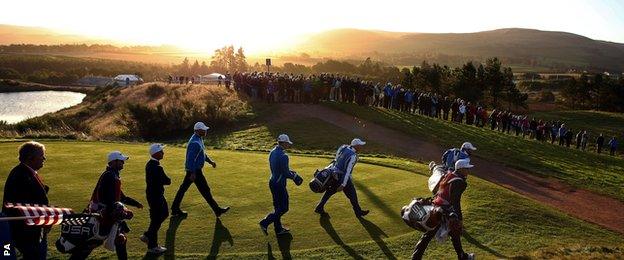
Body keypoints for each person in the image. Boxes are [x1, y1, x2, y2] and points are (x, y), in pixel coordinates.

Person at [80, 151, 144, 260]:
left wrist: (135, 203)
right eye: (121, 161)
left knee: (119, 240)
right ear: (113, 162)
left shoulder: (112, 175)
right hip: (104, 216)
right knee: (94, 242)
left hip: (107, 214)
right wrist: (121, 212)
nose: (123, 163)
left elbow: (121, 197)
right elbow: (108, 199)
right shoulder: (110, 176)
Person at [411, 159, 475, 260]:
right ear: (461, 169)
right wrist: (459, 218)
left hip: (437, 206)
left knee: (449, 233)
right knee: (449, 232)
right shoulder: (460, 182)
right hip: (444, 210)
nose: (468, 170)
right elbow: (455, 201)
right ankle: (462, 256)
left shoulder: (449, 174)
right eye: (466, 168)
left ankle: (462, 256)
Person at [171, 122, 230, 217]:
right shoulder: (195, 143)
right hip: (194, 171)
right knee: (204, 190)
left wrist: (210, 161)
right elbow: (190, 160)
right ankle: (217, 210)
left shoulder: (199, 139)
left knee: (184, 189)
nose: (206, 131)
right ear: (198, 131)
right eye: (204, 129)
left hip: (194, 171)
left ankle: (174, 209)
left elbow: (201, 154)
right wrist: (193, 173)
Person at [2, 141, 50, 259]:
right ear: (30, 158)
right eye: (41, 155)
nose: (44, 158)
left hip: (27, 229)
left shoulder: (24, 172)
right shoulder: (22, 175)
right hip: (26, 231)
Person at [259, 134, 303, 235]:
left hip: (272, 182)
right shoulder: (284, 156)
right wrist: (295, 177)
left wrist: (292, 172)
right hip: (279, 184)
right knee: (284, 208)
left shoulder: (273, 152)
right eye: (287, 143)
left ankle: (278, 229)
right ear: (284, 143)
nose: (288, 145)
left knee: (277, 207)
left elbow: (281, 169)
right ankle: (265, 222)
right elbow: (285, 173)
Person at [314, 138, 370, 217]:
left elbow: (336, 158)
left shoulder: (343, 147)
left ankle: (319, 207)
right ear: (357, 146)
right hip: (341, 177)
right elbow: (347, 171)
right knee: (352, 193)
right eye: (360, 145)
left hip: (334, 174)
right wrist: (343, 184)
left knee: (330, 191)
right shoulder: (353, 156)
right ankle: (358, 212)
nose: (362, 147)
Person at [140, 144, 170, 254]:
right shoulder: (157, 167)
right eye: (161, 152)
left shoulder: (150, 164)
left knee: (165, 214)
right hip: (156, 196)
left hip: (154, 195)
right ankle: (152, 246)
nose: (163, 153)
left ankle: (147, 235)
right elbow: (167, 181)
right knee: (156, 220)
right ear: (156, 154)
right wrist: (167, 180)